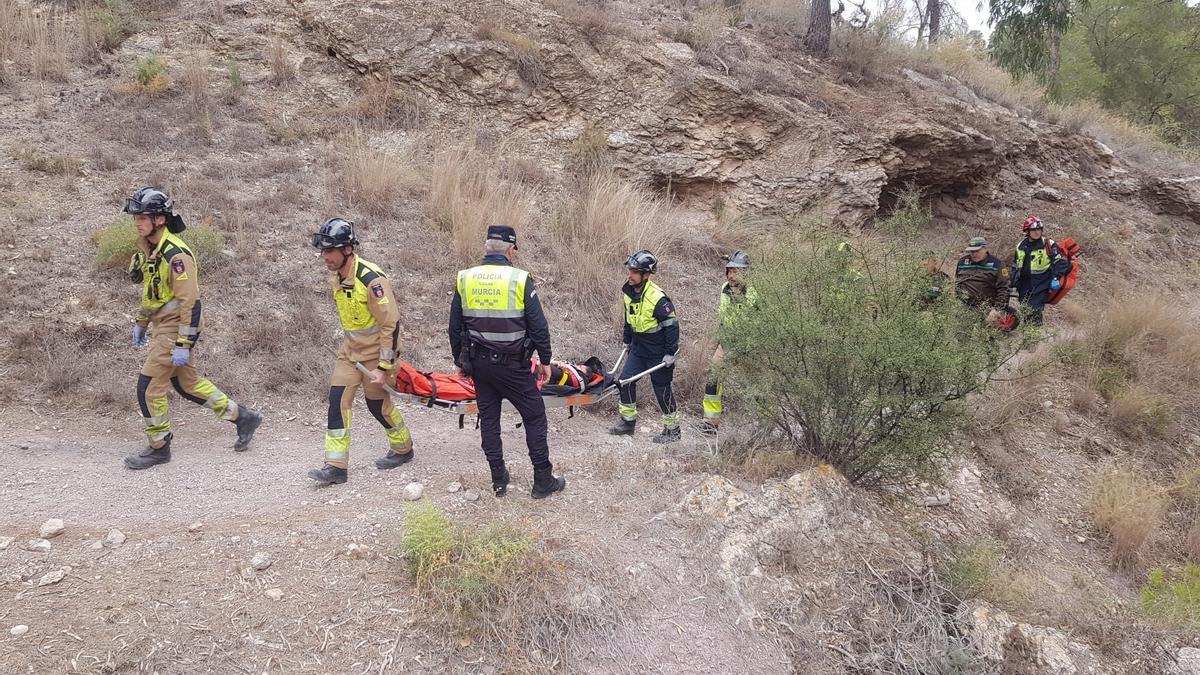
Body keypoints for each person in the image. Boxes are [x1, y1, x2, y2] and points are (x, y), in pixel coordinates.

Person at [122, 187, 262, 470]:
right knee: (188, 385)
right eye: (135, 216)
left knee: (148, 388)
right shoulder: (151, 250)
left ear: (159, 219)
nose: (137, 222)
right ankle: (243, 417)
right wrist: (141, 322)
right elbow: (153, 293)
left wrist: (183, 345)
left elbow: (191, 305)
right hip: (165, 326)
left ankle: (158, 447)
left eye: (142, 216)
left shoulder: (176, 255)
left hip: (176, 329)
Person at [450, 225, 566, 499]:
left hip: (480, 366)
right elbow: (538, 326)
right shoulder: (519, 279)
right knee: (534, 416)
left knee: (489, 420)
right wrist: (545, 361)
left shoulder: (466, 279)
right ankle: (542, 481)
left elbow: (454, 327)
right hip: (513, 366)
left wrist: (460, 361)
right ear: (511, 249)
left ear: (486, 248)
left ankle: (498, 480)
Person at [308, 218, 414, 485]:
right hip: (350, 353)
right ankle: (335, 467)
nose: (325, 257)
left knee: (377, 405)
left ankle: (403, 448)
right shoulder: (337, 276)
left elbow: (391, 323)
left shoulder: (371, 279)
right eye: (322, 251)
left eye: (329, 251)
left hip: (377, 356)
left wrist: (384, 367)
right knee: (337, 401)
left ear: (347, 250)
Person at [610, 250, 681, 443]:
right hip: (639, 347)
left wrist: (670, 353)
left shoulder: (658, 298)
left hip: (658, 350)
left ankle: (673, 429)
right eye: (630, 270)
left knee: (661, 388)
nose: (630, 275)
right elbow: (628, 319)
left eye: (634, 272)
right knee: (625, 381)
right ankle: (628, 422)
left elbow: (672, 327)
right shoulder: (629, 293)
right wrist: (627, 340)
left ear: (646, 275)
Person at [703, 250, 756, 433]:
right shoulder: (725, 288)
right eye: (730, 271)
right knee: (713, 377)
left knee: (756, 383)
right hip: (727, 341)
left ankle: (765, 423)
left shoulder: (753, 293)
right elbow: (724, 318)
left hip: (749, 344)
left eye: (736, 271)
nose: (732, 276)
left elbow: (759, 323)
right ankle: (710, 422)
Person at [1010, 216, 1071, 324]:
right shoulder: (1020, 246)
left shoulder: (1048, 244)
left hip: (1041, 284)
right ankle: (1028, 336)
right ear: (1027, 231)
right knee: (1024, 310)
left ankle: (1033, 337)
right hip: (1023, 285)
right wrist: (1012, 283)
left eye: (1039, 229)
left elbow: (1061, 263)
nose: (1037, 232)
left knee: (1035, 311)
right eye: (1033, 230)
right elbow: (1015, 266)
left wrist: (1055, 278)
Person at [955, 237, 1009, 309]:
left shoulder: (997, 264)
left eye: (977, 251)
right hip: (964, 307)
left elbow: (1004, 288)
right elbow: (957, 284)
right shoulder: (962, 262)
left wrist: (997, 309)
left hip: (987, 307)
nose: (974, 254)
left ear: (985, 249)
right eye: (972, 251)